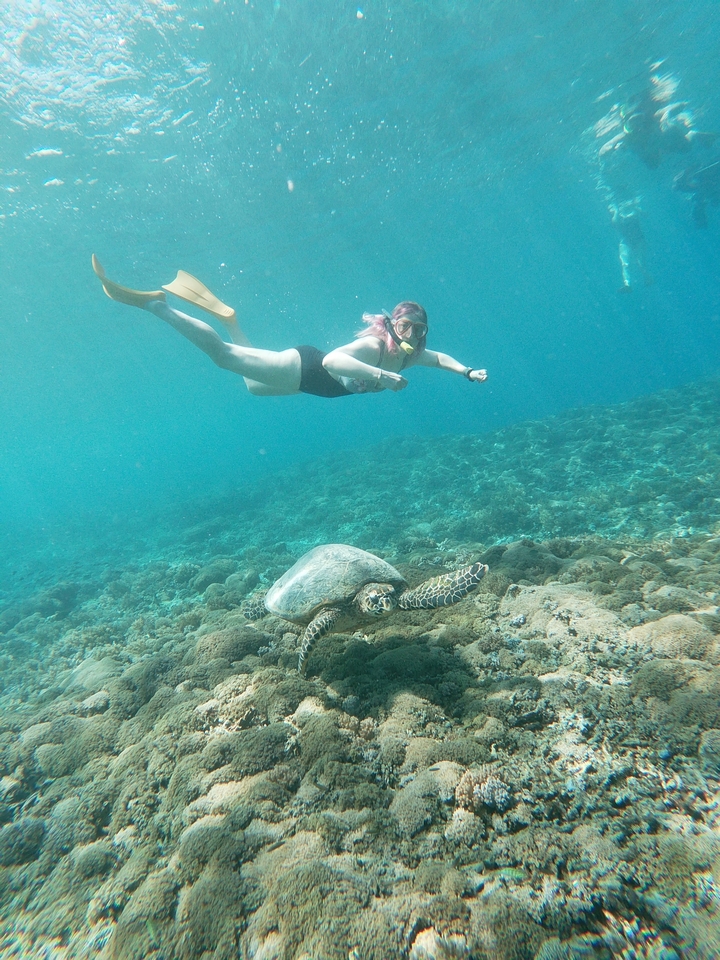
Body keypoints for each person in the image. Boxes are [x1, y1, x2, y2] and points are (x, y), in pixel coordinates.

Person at [91, 256, 488, 397]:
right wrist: (381, 374)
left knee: (252, 388)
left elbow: (440, 360)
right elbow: (334, 361)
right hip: (305, 369)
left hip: (307, 387)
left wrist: (467, 371)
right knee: (224, 359)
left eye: (419, 330)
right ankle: (159, 307)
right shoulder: (376, 348)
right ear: (392, 323)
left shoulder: (412, 356)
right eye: (405, 326)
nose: (412, 336)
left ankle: (230, 318)